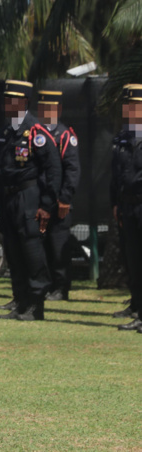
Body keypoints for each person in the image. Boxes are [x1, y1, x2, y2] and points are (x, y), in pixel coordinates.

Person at [0, 80, 62, 321]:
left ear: (24, 102)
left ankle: (35, 304)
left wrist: (47, 204)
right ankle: (20, 300)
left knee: (31, 249)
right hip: (7, 197)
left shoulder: (37, 132)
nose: (8, 104)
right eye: (6, 100)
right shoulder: (5, 132)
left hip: (28, 196)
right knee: (13, 249)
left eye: (13, 100)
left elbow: (53, 169)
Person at [36, 89, 80, 301]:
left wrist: (65, 198)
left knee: (57, 246)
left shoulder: (64, 136)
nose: (47, 112)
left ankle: (61, 288)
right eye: (43, 108)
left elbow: (72, 170)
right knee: (41, 247)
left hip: (58, 202)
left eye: (51, 108)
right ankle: (45, 286)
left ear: (58, 110)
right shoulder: (36, 134)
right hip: (39, 201)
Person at [110, 84, 142, 332]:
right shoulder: (123, 136)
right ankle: (137, 308)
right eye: (127, 105)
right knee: (133, 260)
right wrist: (115, 203)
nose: (129, 109)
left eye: (134, 105)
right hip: (128, 207)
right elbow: (116, 174)